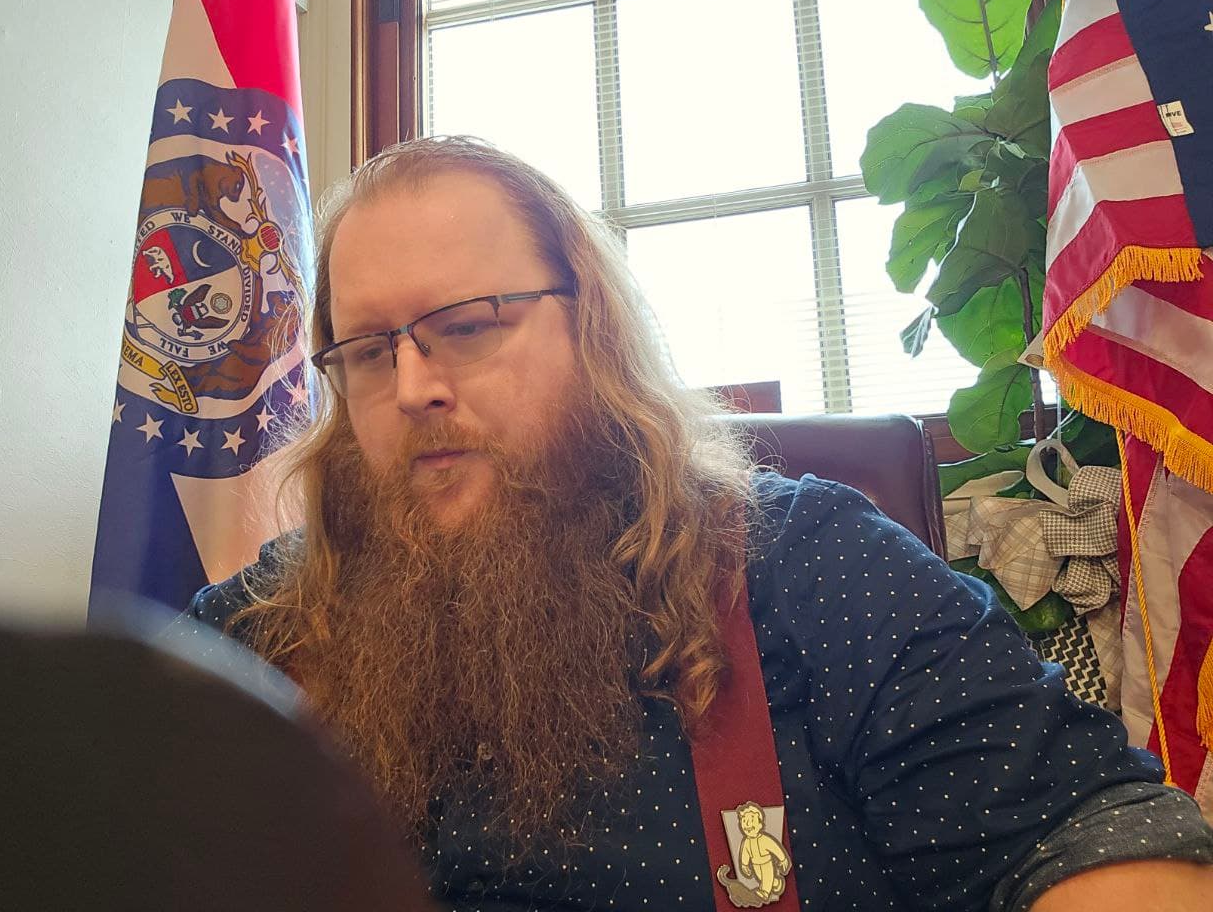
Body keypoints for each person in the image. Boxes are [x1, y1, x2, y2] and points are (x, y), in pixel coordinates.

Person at [187, 136, 1213, 911]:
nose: (413, 386)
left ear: (590, 328)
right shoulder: (265, 629)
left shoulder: (809, 564)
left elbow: (1087, 833)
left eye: (465, 328)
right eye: (370, 352)